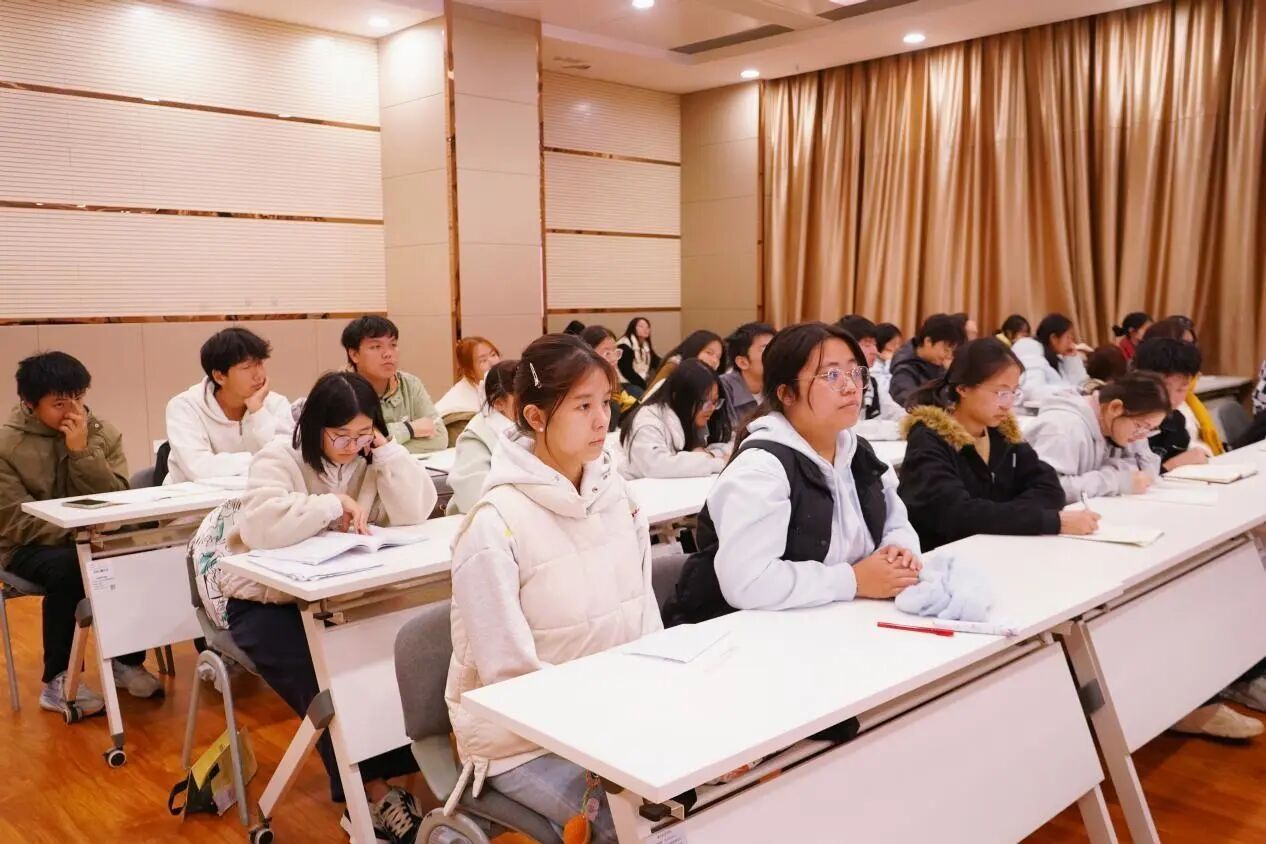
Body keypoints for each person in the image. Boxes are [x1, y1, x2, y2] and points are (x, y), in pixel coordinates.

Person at [443, 334, 661, 844]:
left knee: (712, 796)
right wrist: (610, 725)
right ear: (535, 417)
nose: (602, 420)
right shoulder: (494, 523)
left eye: (605, 402)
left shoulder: (618, 496)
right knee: (632, 829)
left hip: (618, 715)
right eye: (583, 406)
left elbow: (644, 615)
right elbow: (512, 679)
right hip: (524, 742)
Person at [224, 371, 437, 841]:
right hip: (269, 605)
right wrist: (329, 504)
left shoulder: (369, 456)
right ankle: (370, 793)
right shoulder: (279, 457)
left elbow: (415, 511)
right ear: (315, 425)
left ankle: (388, 776)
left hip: (341, 594)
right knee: (333, 686)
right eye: (341, 435)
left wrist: (386, 451)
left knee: (390, 660)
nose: (351, 446)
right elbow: (259, 526)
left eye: (363, 434)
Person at [665, 322, 922, 625]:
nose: (851, 387)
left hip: (835, 620)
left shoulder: (859, 453)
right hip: (736, 632)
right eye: (831, 375)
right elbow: (748, 583)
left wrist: (899, 552)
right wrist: (852, 580)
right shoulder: (761, 468)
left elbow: (896, 523)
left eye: (855, 372)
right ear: (787, 393)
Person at [0, 352, 158, 717]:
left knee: (133, 552)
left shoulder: (101, 432)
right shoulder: (7, 446)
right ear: (29, 403)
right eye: (59, 403)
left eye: (78, 397)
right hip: (26, 545)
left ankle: (126, 661)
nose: (73, 410)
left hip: (91, 535)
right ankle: (59, 680)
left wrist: (82, 453)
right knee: (72, 567)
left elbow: (118, 497)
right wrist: (82, 535)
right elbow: (15, 520)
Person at [897, 338, 1097, 550]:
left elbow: (1050, 489)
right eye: (1000, 393)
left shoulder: (1002, 435)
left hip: (998, 549)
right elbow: (956, 515)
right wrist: (1046, 520)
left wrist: (999, 517)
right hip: (941, 558)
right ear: (963, 388)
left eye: (1013, 393)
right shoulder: (929, 439)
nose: (1008, 404)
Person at [164, 327, 294, 484]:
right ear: (219, 376)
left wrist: (257, 410)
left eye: (259, 363)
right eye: (247, 367)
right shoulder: (185, 407)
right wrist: (262, 460)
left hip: (256, 494)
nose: (259, 375)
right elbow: (199, 468)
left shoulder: (275, 403)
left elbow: (290, 459)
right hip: (192, 497)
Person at [1027, 372, 1166, 504]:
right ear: (1115, 408)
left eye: (1150, 429)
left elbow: (1146, 470)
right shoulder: (1064, 428)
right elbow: (1046, 489)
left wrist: (1113, 473)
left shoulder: (1120, 427)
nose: (1142, 435)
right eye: (1140, 426)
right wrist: (1115, 481)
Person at [341, 316, 447, 454]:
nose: (388, 354)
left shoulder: (410, 384)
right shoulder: (340, 390)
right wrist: (409, 429)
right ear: (354, 355)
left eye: (393, 345)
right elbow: (354, 445)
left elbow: (440, 437)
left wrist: (383, 446)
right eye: (376, 347)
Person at [620, 359, 732, 479]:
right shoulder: (648, 423)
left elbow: (723, 443)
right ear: (681, 397)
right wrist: (714, 462)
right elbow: (657, 466)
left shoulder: (691, 416)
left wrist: (709, 455)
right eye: (705, 401)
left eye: (715, 401)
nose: (712, 408)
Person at [1144, 316, 1224, 456]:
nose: (1190, 350)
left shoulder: (1183, 408)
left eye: (1192, 344)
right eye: (1184, 344)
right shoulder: (1141, 411)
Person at [446, 359, 518, 516]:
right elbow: (473, 499)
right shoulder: (476, 435)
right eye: (521, 397)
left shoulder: (536, 427)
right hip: (479, 520)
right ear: (498, 403)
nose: (531, 403)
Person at [1130, 338, 1210, 473]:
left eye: (1181, 389)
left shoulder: (1176, 422)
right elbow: (1126, 479)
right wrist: (1170, 465)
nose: (1171, 399)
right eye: (1164, 388)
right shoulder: (1125, 422)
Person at [888, 314, 967, 408]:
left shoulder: (939, 364)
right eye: (946, 350)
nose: (949, 356)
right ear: (928, 341)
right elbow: (910, 404)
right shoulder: (904, 370)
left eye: (952, 351)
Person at [1012, 313, 1089, 403]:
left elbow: (1079, 384)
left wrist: (1071, 359)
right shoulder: (1029, 349)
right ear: (1054, 338)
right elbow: (1032, 390)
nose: (1071, 342)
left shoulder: (1055, 357)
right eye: (1068, 337)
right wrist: (1070, 392)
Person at [580, 325, 638, 430]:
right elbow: (609, 424)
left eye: (615, 352)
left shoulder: (612, 380)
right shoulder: (581, 385)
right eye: (607, 353)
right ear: (587, 353)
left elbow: (627, 406)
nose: (614, 359)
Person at [719, 322, 774, 430]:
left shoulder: (778, 386)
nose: (775, 354)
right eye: (765, 349)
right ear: (742, 363)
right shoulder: (722, 388)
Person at [434, 336, 501, 418]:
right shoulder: (461, 405)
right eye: (483, 360)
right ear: (470, 372)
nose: (493, 362)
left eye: (493, 355)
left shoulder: (499, 384)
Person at [644, 330, 725, 394]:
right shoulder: (673, 368)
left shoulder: (708, 379)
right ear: (694, 349)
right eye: (709, 353)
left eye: (718, 357)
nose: (714, 360)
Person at [615, 317, 661, 398]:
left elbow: (656, 362)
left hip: (640, 381)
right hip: (625, 383)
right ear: (633, 328)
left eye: (647, 327)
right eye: (641, 326)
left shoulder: (645, 345)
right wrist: (644, 385)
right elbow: (627, 371)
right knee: (643, 396)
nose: (645, 329)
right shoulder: (624, 345)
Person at [871, 322, 904, 393]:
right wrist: (890, 361)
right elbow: (887, 390)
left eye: (900, 344)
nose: (897, 348)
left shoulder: (899, 361)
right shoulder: (873, 364)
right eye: (893, 344)